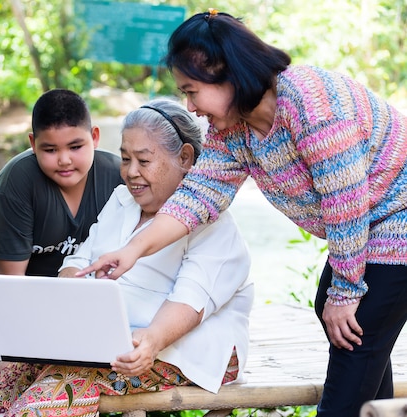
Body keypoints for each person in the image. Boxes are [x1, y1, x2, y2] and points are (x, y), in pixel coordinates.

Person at [78, 10, 407, 417]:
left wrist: (347, 292)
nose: (190, 107)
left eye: (192, 91)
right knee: (350, 319)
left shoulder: (310, 102)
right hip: (367, 223)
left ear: (225, 73)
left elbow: (347, 205)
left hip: (397, 216)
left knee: (353, 328)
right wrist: (131, 251)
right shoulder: (234, 129)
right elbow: (196, 196)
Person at [0, 98, 254, 417]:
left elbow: (188, 304)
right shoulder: (122, 201)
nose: (131, 173)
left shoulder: (214, 227)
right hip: (106, 341)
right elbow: (80, 260)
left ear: (185, 157)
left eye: (144, 161)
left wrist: (149, 341)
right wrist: (68, 290)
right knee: (9, 376)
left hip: (185, 350)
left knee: (52, 394)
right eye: (125, 159)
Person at [0, 88, 124, 275]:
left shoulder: (117, 177)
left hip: (67, 268)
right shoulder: (16, 183)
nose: (64, 160)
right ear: (33, 144)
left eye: (75, 147)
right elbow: (10, 281)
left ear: (94, 137)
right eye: (50, 150)